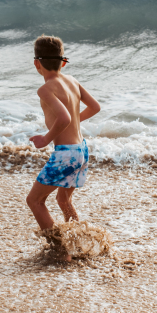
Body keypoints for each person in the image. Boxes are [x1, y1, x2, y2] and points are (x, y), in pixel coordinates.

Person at [26, 35, 100, 249]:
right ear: (63, 62)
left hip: (65, 154)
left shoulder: (46, 89)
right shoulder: (72, 81)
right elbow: (95, 107)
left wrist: (45, 138)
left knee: (35, 201)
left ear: (36, 64)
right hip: (81, 151)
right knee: (63, 201)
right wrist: (76, 119)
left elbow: (65, 118)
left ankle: (60, 249)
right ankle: (78, 245)